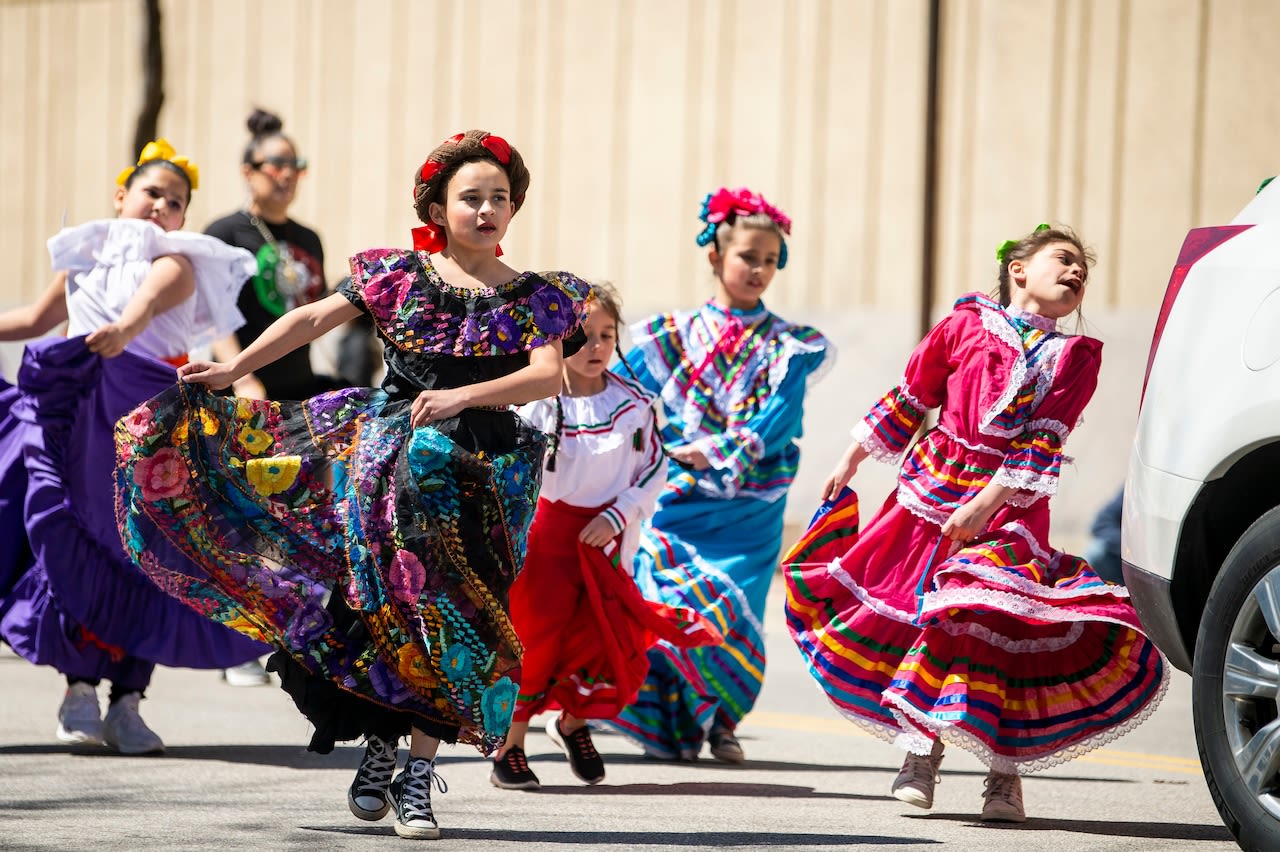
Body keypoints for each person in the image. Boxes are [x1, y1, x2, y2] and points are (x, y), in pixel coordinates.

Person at [114, 130, 589, 839]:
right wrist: (228, 367)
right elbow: (309, 318)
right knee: (384, 611)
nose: (487, 210)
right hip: (391, 467)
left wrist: (463, 398)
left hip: (485, 476)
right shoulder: (397, 275)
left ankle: (420, 777)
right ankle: (381, 751)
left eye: (500, 198)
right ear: (438, 204)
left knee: (455, 623)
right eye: (471, 198)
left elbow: (548, 374)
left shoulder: (532, 298)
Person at [783, 224, 1168, 822]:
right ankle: (920, 755)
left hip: (1012, 505)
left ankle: (1004, 776)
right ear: (1018, 269)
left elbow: (1043, 441)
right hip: (932, 491)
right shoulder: (964, 325)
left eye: (1082, 272)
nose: (1075, 275)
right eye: (1063, 261)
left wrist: (986, 504)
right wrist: (852, 456)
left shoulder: (1075, 358)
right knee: (929, 620)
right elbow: (913, 395)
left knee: (1004, 628)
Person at [0, 139, 265, 754]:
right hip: (77, 411)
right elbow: (40, 319)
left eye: (176, 202)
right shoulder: (85, 255)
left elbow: (147, 303)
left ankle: (128, 700)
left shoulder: (177, 259)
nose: (162, 208)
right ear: (120, 197)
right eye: (152, 193)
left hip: (143, 422)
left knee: (144, 550)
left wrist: (120, 330)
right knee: (70, 537)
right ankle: (80, 689)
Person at [606, 187, 833, 763]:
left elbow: (782, 415)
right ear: (716, 256)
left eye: (769, 260)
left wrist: (726, 451)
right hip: (677, 495)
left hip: (751, 507)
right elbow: (628, 397)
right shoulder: (667, 336)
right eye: (747, 257)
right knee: (664, 596)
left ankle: (724, 722)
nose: (759, 269)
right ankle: (677, 717)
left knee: (735, 610)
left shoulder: (792, 345)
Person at [492, 282, 721, 791]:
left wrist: (620, 515)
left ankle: (573, 722)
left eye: (605, 336)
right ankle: (510, 746)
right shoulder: (538, 403)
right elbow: (513, 472)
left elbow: (655, 467)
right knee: (537, 640)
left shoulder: (635, 402)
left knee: (605, 638)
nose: (594, 348)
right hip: (545, 539)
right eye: (581, 337)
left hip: (607, 539)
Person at [203, 109, 337, 688]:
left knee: (295, 518)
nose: (286, 174)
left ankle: (285, 635)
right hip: (244, 395)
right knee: (244, 516)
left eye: (295, 165)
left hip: (298, 394)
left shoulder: (308, 239)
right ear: (248, 170)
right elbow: (214, 313)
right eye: (275, 164)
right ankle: (237, 648)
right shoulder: (225, 233)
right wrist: (241, 377)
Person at [1083, 486, 1124, 583]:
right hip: (1126, 560)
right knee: (1096, 552)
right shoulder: (1139, 484)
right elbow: (1100, 524)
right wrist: (1133, 548)